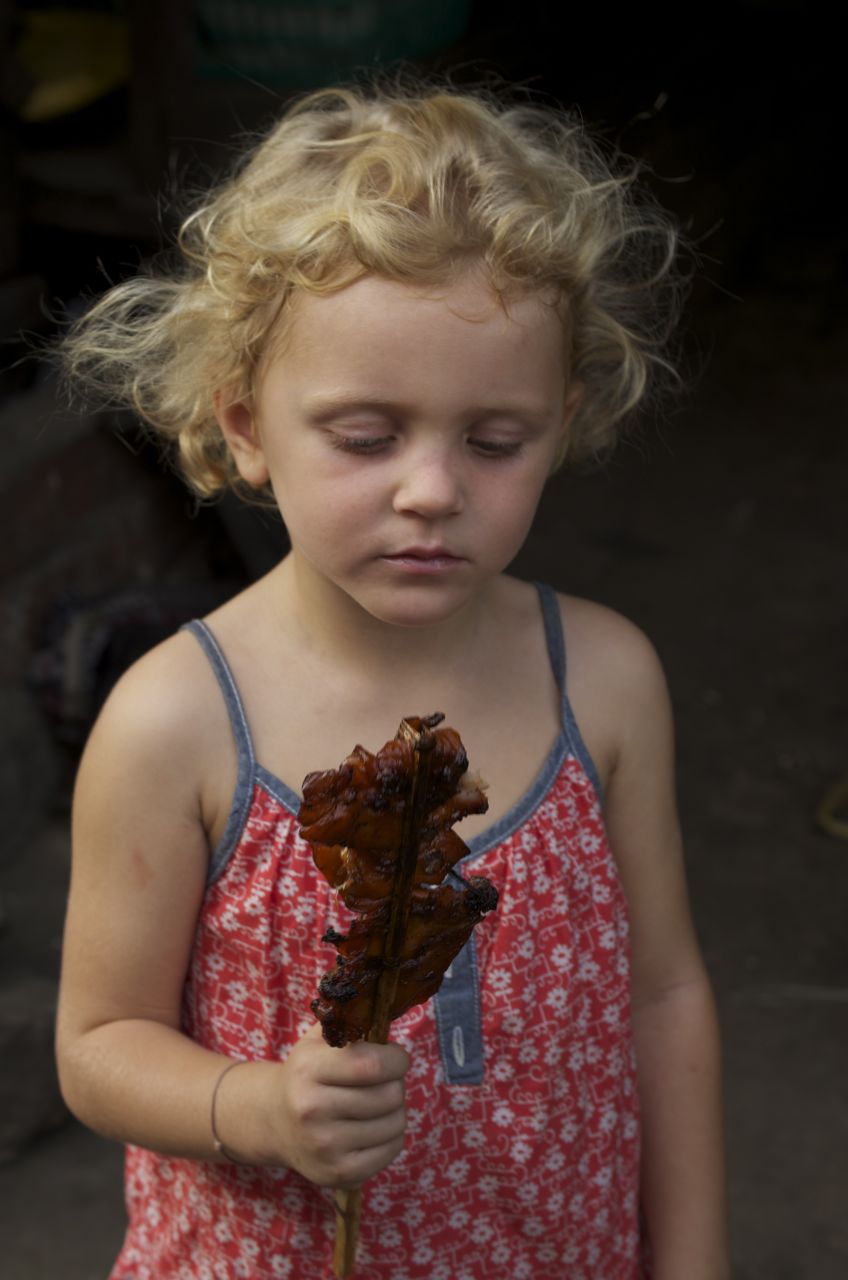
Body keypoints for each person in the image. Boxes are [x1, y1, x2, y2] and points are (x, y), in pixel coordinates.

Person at [56, 80, 729, 1280]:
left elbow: (663, 993)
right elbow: (101, 1042)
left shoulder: (605, 681)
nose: (431, 490)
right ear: (245, 424)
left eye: (494, 440)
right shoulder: (175, 721)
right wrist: (259, 1106)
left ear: (561, 420)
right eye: (365, 437)